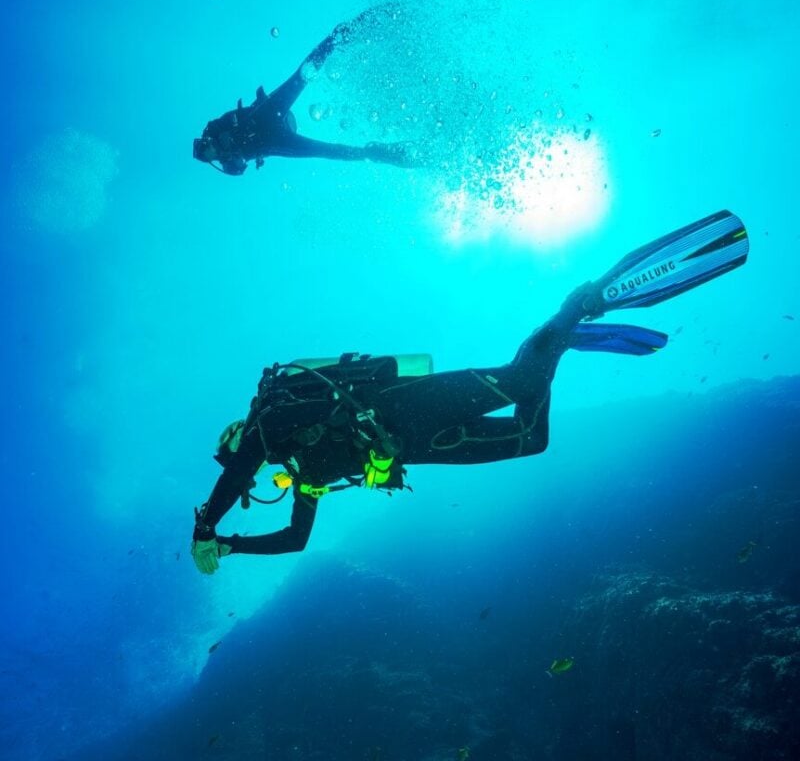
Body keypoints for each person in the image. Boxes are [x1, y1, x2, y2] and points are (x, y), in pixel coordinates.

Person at [191, 210, 749, 573]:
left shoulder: (273, 415)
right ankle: (565, 341)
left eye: (234, 442)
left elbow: (237, 470)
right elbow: (296, 539)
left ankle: (575, 308)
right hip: (418, 449)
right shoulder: (302, 469)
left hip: (405, 405)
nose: (244, 456)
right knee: (533, 439)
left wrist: (203, 528)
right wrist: (230, 544)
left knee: (524, 379)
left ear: (241, 429)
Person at [192, 6, 416, 175]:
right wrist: (232, 156)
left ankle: (339, 37)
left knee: (301, 76)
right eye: (207, 153)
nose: (209, 148)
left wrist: (223, 135)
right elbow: (239, 171)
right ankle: (378, 153)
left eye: (205, 146)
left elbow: (230, 118)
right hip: (274, 142)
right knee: (325, 151)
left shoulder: (213, 128)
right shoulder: (224, 162)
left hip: (263, 115)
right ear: (210, 160)